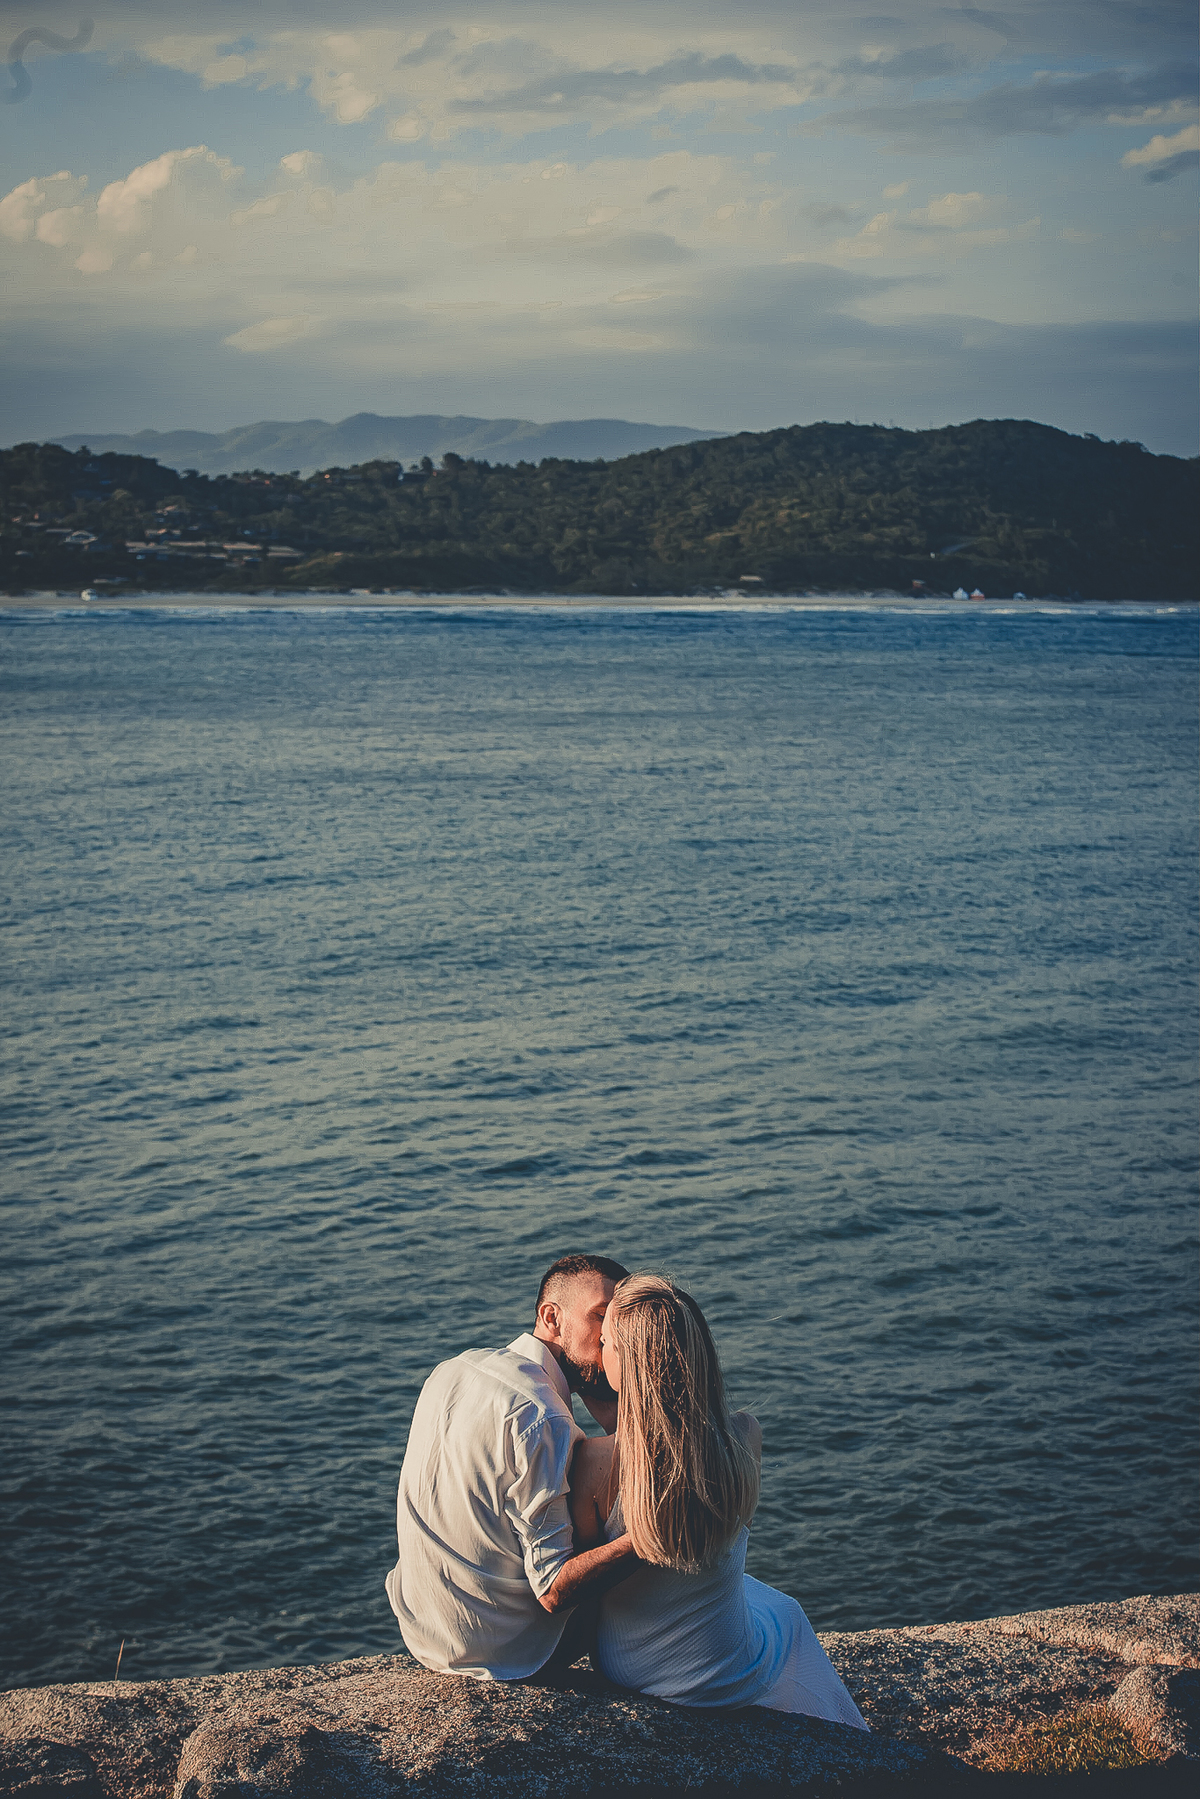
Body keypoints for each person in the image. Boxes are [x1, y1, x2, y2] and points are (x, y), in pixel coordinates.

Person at [568, 1273, 868, 1725]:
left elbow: (590, 1597)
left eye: (607, 1342)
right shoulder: (743, 1435)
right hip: (727, 1669)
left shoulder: (592, 1463)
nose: (601, 1351)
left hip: (628, 1667)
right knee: (786, 1614)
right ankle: (849, 1746)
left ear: (625, 1363)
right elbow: (674, 1461)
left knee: (777, 1607)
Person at [385, 1253, 636, 1680]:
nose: (613, 1338)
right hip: (508, 1654)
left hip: (423, 1630)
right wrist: (653, 1540)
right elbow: (554, 1589)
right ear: (551, 1316)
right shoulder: (545, 1418)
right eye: (601, 1318)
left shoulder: (453, 1369)